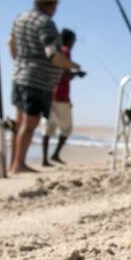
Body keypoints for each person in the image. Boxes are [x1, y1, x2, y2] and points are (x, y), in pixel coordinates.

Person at [7, 0, 80, 174]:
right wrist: (71, 65)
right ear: (51, 5)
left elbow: (11, 43)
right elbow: (52, 54)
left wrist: (20, 61)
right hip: (37, 80)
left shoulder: (20, 18)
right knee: (30, 124)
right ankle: (19, 164)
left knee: (20, 122)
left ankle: (13, 162)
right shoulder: (45, 23)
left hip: (19, 75)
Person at [43, 28, 82, 167]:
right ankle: (55, 154)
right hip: (61, 96)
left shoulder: (55, 51)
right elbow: (65, 73)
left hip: (49, 94)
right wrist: (76, 73)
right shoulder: (65, 51)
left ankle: (44, 159)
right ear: (69, 40)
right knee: (67, 129)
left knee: (48, 127)